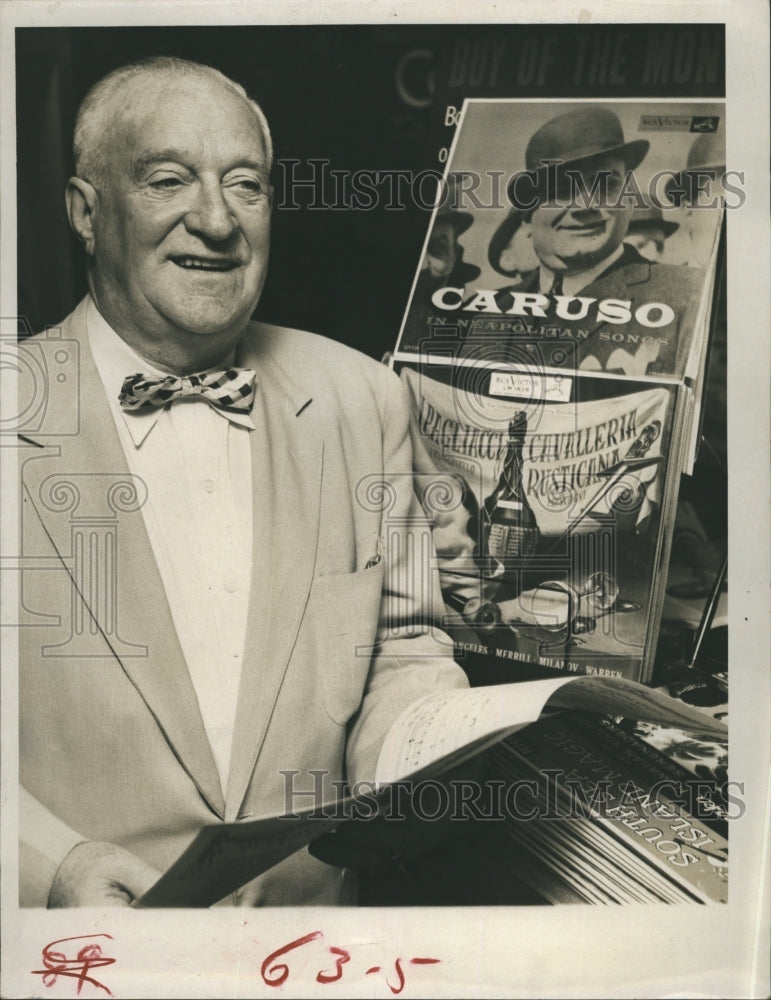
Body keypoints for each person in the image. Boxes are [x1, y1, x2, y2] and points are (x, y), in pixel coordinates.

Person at [17, 56, 468, 908]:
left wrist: (412, 763)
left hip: (310, 946)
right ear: (85, 211)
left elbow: (405, 645)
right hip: (80, 953)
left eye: (245, 185)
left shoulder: (364, 398)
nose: (217, 220)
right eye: (167, 180)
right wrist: (50, 867)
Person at [493, 107, 705, 377]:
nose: (585, 205)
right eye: (562, 188)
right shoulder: (488, 312)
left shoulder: (688, 296)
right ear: (527, 215)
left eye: (605, 185)